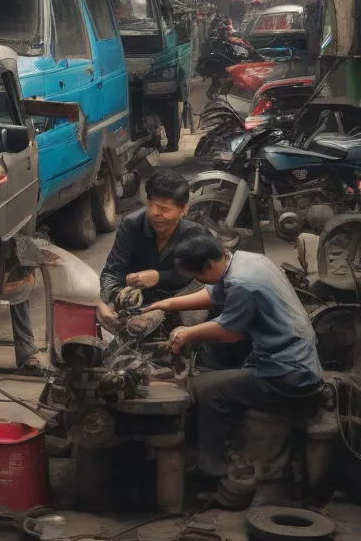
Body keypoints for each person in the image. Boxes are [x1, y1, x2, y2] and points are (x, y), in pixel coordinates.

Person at [146, 233, 323, 478]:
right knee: (217, 375)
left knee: (204, 388)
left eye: (198, 276)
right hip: (289, 355)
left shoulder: (242, 284)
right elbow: (212, 294)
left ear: (209, 264)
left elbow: (228, 333)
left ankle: (213, 470)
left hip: (289, 373)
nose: (199, 280)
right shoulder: (245, 260)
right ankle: (232, 443)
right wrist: (165, 304)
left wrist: (186, 334)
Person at [97, 170, 204, 332]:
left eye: (163, 208)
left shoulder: (194, 233)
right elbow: (112, 272)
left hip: (181, 299)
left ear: (183, 209)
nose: (155, 213)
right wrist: (119, 295)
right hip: (140, 302)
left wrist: (157, 277)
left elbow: (198, 274)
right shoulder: (131, 225)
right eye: (150, 205)